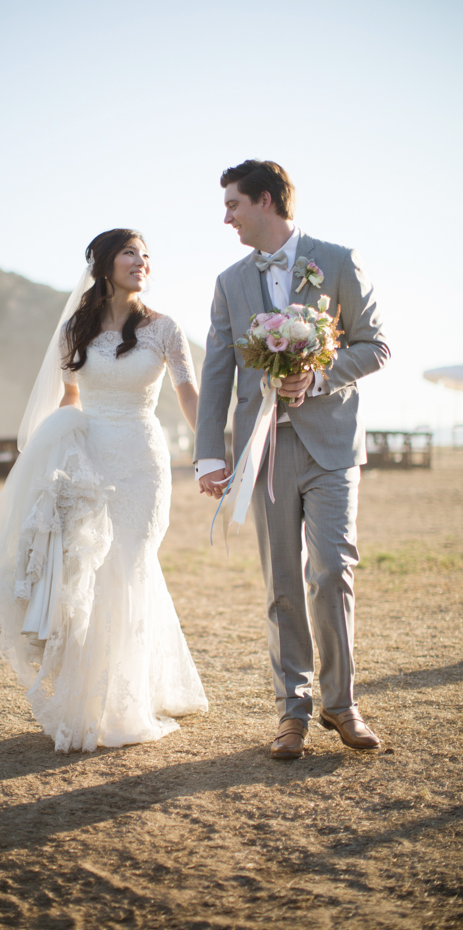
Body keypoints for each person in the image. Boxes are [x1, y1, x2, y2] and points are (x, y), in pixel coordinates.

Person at [0, 228, 208, 752]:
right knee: (96, 570)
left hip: (143, 462)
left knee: (129, 560)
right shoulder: (75, 329)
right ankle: (100, 692)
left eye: (147, 255)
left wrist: (214, 452)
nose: (142, 262)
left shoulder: (166, 329)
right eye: (131, 253)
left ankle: (123, 700)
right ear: (105, 264)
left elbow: (190, 396)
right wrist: (57, 463)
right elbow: (70, 397)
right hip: (91, 461)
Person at [195, 160, 390, 760]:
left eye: (234, 204)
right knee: (282, 585)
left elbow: (375, 343)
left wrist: (320, 374)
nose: (225, 216)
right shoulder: (229, 282)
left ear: (267, 200)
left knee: (331, 570)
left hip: (331, 448)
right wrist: (208, 454)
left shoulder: (337, 260)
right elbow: (218, 373)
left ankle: (342, 703)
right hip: (265, 451)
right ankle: (293, 712)